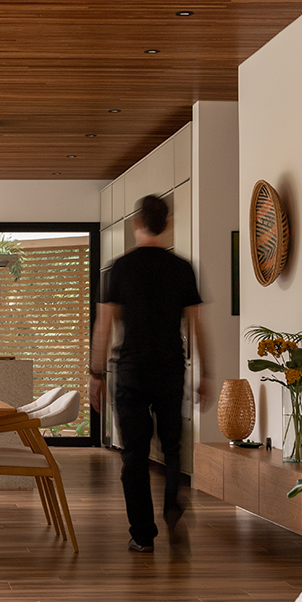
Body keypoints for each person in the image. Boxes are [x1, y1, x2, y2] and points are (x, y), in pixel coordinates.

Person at [89, 194, 208, 553]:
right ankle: (172, 502)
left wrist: (96, 374)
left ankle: (143, 534)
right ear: (167, 223)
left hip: (132, 373)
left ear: (137, 223)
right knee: (173, 448)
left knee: (134, 456)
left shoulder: (120, 268)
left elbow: (104, 326)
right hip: (171, 369)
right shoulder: (182, 269)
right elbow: (197, 327)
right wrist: (208, 373)